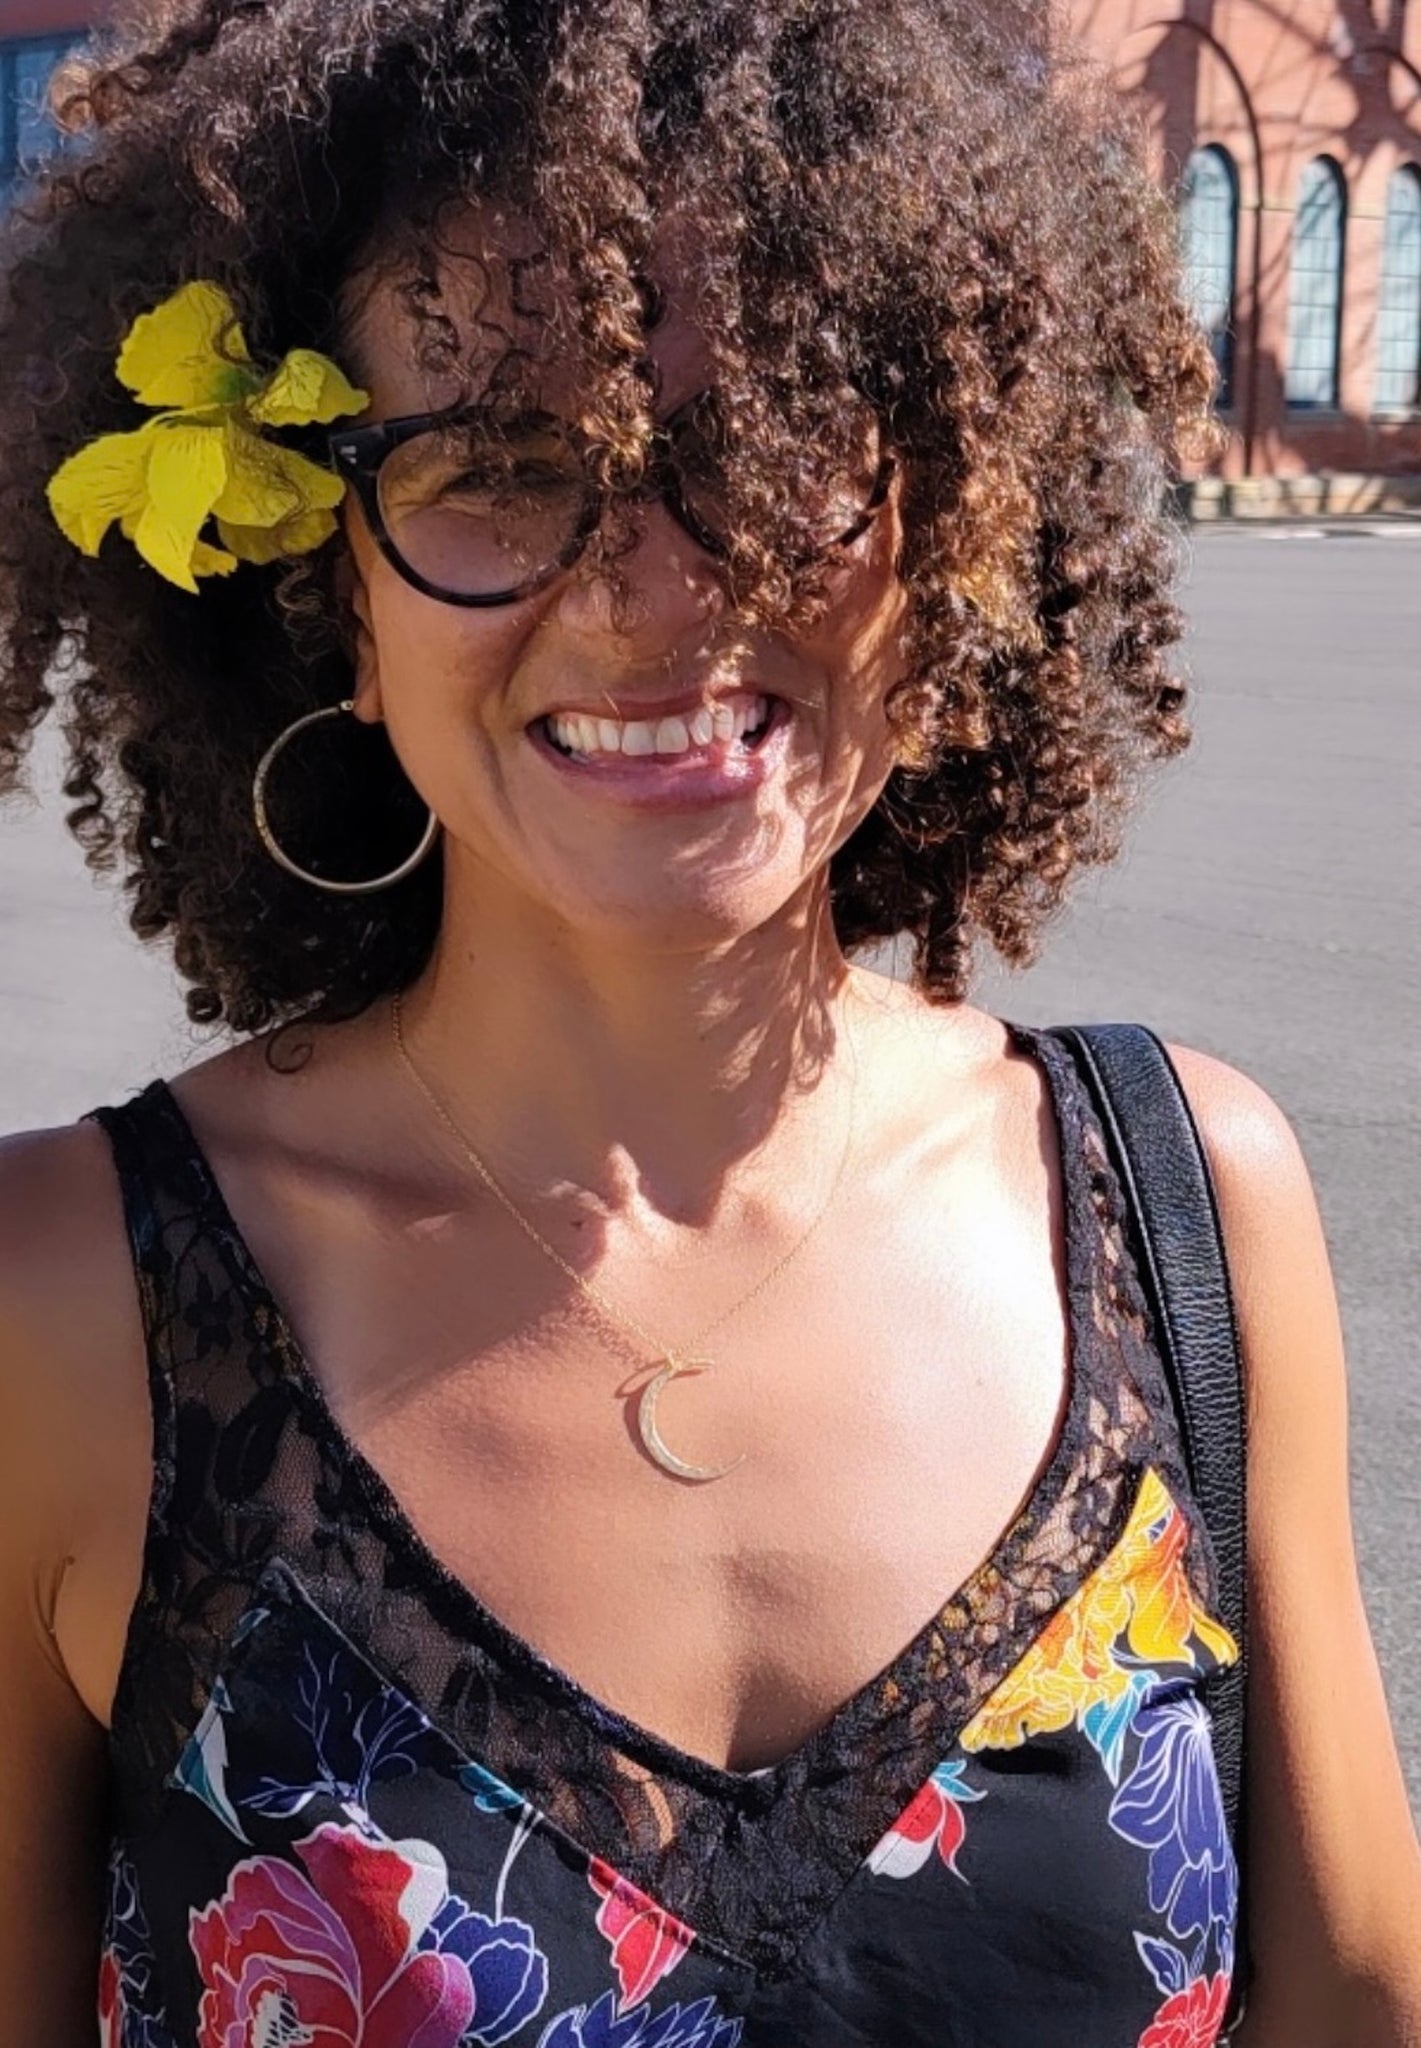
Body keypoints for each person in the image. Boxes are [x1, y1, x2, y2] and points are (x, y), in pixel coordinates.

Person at [1, 1, 1418, 2042]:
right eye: (501, 468)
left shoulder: (1186, 1208)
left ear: (951, 522)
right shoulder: (61, 1310)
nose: (650, 589)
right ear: (335, 601)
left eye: (776, 440)